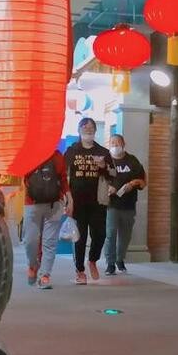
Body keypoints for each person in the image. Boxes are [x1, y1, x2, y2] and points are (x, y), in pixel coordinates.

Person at [65, 117, 113, 285]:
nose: (88, 129)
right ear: (79, 130)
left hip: (98, 201)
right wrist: (67, 200)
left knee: (100, 234)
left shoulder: (103, 152)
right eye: (85, 127)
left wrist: (103, 167)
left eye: (91, 127)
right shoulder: (72, 151)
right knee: (80, 237)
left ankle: (92, 260)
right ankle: (80, 271)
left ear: (95, 131)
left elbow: (113, 174)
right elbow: (64, 176)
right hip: (77, 201)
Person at [22, 150, 70, 289]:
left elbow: (63, 179)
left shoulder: (57, 156)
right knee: (30, 240)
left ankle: (45, 275)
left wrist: (69, 198)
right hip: (32, 203)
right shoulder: (28, 154)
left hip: (54, 203)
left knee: (50, 242)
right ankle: (33, 264)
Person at [103, 134, 146, 276]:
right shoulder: (106, 161)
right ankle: (110, 263)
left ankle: (120, 259)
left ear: (123, 144)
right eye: (112, 143)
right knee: (110, 233)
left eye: (117, 143)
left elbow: (143, 182)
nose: (115, 146)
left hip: (128, 204)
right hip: (111, 205)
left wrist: (133, 184)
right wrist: (108, 188)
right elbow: (99, 180)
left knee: (125, 236)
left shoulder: (132, 160)